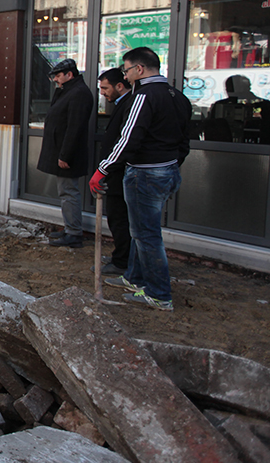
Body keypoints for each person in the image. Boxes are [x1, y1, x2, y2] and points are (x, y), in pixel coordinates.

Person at [91, 46, 191, 311]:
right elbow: (184, 139)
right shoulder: (177, 96)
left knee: (146, 235)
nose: (126, 75)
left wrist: (104, 168)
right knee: (141, 231)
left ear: (139, 69)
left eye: (126, 69)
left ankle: (159, 294)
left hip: (146, 173)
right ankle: (135, 278)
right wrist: (172, 164)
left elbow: (128, 138)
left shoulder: (143, 97)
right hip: (167, 170)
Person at [38, 58, 93, 248]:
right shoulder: (68, 91)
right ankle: (70, 227)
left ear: (70, 74)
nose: (55, 80)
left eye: (58, 76)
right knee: (66, 192)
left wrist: (65, 155)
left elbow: (74, 127)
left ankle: (74, 233)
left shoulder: (78, 93)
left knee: (68, 192)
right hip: (63, 151)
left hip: (68, 154)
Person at [96, 67, 133, 275]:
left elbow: (124, 142)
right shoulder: (122, 104)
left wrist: (105, 169)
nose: (102, 92)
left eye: (105, 88)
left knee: (120, 220)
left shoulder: (131, 104)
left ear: (120, 86)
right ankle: (122, 257)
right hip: (116, 172)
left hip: (120, 174)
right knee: (117, 219)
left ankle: (122, 262)